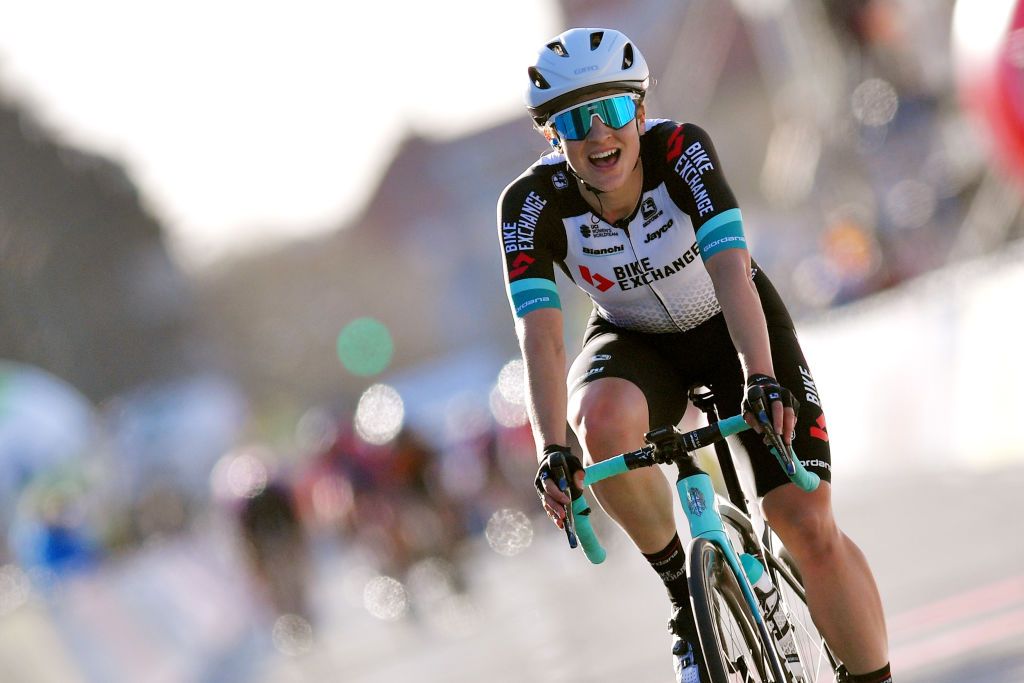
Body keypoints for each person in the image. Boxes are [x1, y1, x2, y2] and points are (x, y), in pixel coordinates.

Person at [497, 27, 892, 683]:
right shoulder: (530, 205)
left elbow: (733, 272)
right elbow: (539, 334)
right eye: (576, 120)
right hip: (633, 342)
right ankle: (686, 598)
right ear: (551, 135)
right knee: (597, 420)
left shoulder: (681, 150)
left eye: (615, 111)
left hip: (729, 323)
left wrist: (761, 378)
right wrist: (551, 445)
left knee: (806, 523)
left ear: (641, 112)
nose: (600, 134)